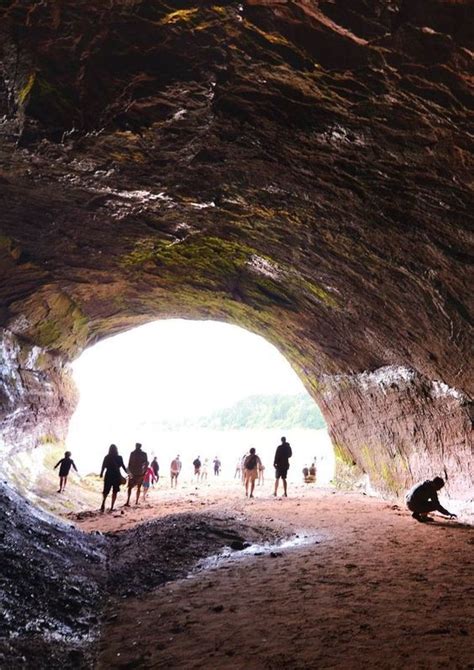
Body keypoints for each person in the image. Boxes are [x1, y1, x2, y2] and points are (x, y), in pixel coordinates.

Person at [100, 444, 128, 513]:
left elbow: (103, 466)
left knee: (106, 490)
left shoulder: (107, 457)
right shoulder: (119, 457)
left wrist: (101, 473)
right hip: (116, 476)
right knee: (115, 491)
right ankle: (112, 507)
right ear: (116, 450)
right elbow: (123, 466)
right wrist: (128, 473)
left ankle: (103, 503)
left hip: (108, 475)